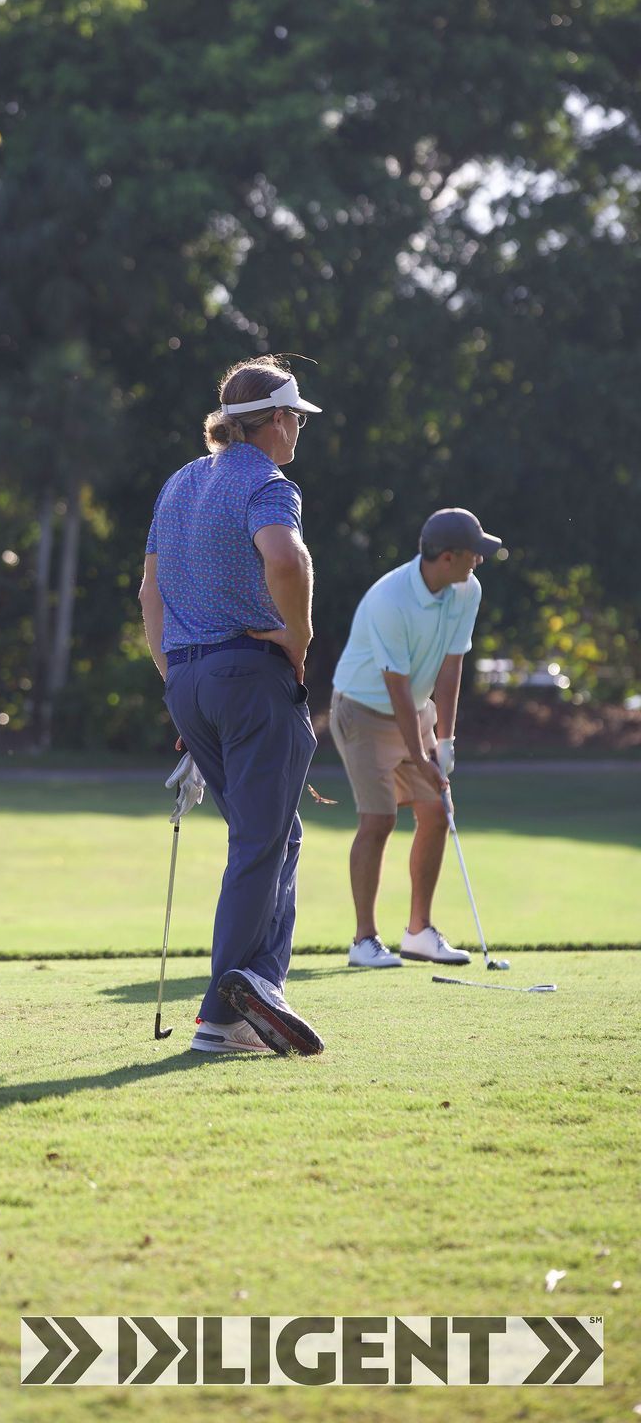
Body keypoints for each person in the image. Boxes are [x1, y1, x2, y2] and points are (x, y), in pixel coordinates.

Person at [140, 357, 325, 1058]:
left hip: (189, 681)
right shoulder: (268, 483)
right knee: (259, 841)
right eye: (296, 419)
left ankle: (259, 988)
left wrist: (176, 681)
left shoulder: (179, 482)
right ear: (275, 420)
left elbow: (150, 596)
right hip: (250, 677)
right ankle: (224, 1014)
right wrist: (298, 637)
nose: (298, 430)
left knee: (276, 834)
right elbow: (288, 560)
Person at [329, 508, 502, 969]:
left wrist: (445, 743)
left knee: (437, 811)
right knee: (379, 819)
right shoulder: (390, 600)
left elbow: (451, 667)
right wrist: (419, 755)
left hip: (415, 709)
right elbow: (396, 685)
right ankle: (364, 940)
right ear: (447, 557)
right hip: (362, 711)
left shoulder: (467, 589)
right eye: (473, 553)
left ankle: (419, 933)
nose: (479, 560)